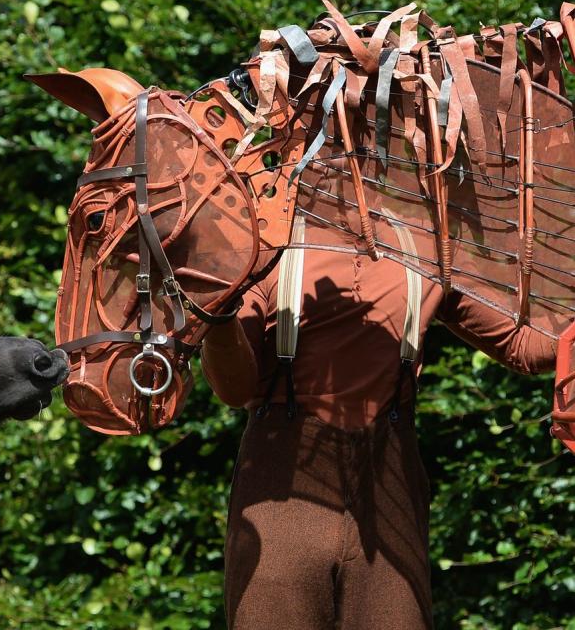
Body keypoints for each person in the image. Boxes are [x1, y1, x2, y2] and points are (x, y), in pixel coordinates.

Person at [201, 219, 556, 629]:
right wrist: (219, 314)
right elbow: (233, 388)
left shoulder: (426, 242)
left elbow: (524, 345)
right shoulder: (268, 242)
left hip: (390, 484)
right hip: (280, 486)